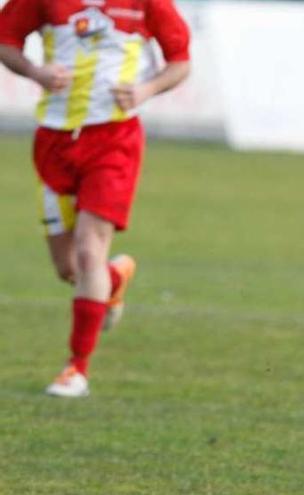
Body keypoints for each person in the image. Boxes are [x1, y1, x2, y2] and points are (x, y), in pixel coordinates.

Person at [0, 0, 191, 397]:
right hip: (54, 140)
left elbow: (180, 60)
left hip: (114, 140)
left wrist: (145, 89)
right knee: (70, 268)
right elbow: (5, 40)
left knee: (89, 252)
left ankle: (75, 369)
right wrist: (36, 71)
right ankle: (115, 277)